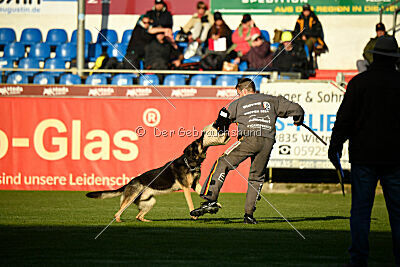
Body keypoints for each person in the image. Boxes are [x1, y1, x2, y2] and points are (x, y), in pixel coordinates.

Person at [190, 78, 305, 224]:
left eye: (238, 93)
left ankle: (210, 199)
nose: (238, 96)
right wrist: (297, 119)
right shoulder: (272, 100)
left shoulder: (237, 103)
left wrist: (221, 128)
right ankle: (249, 215)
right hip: (267, 141)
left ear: (243, 91)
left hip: (249, 139)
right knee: (256, 178)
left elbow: (222, 121)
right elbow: (298, 109)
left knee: (223, 163)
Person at [328, 36, 400, 267]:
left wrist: (335, 145)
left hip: (363, 156)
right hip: (395, 157)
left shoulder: (359, 82)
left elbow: (344, 119)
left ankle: (358, 258)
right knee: (398, 213)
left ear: (374, 57)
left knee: (360, 211)